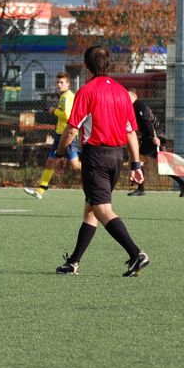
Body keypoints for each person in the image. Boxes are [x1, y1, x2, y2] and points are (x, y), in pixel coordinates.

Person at [54, 45, 150, 277]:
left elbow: (71, 130)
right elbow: (130, 132)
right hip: (116, 156)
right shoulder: (121, 93)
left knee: (101, 208)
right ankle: (74, 262)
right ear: (109, 65)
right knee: (91, 209)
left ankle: (136, 253)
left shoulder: (86, 92)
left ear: (86, 66)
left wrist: (59, 154)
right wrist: (136, 164)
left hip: (95, 156)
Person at [24, 72, 80, 199]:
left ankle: (98, 175)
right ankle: (40, 191)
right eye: (58, 82)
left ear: (68, 84)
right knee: (50, 161)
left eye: (62, 82)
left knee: (76, 166)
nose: (59, 85)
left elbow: (67, 115)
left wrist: (53, 111)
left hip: (67, 136)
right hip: (60, 135)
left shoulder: (67, 96)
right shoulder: (64, 96)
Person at [126, 89, 184, 197]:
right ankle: (183, 184)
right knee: (162, 163)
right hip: (155, 136)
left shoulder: (139, 106)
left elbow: (148, 122)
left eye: (127, 97)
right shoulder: (135, 107)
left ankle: (140, 189)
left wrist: (153, 137)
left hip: (152, 137)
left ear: (133, 97)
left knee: (139, 158)